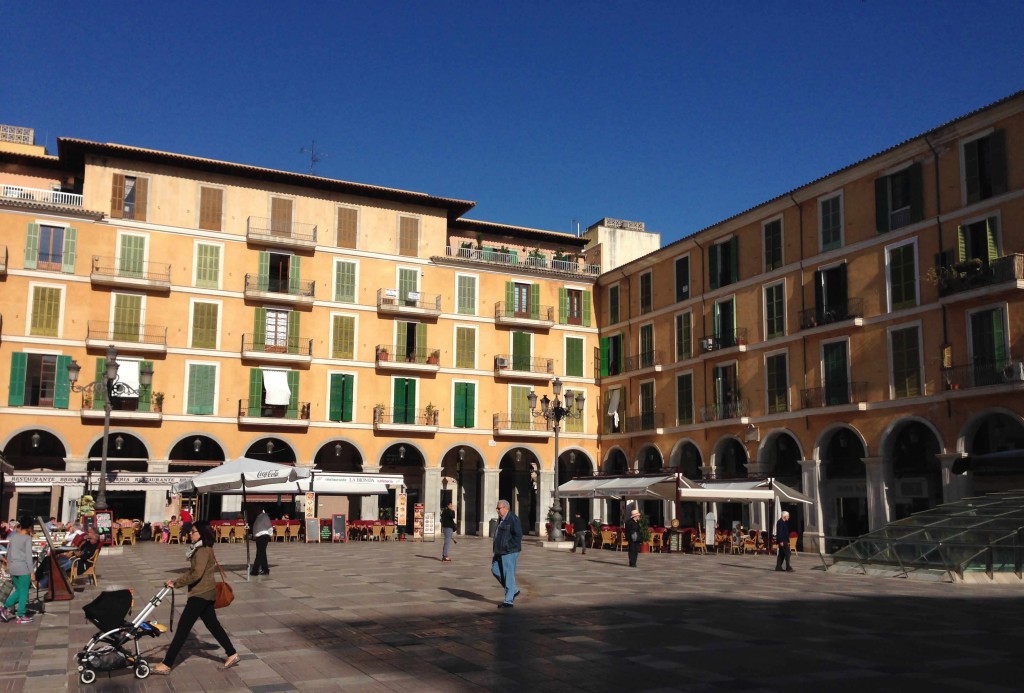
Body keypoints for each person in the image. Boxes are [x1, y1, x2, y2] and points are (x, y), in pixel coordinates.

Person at [152, 522, 238, 675]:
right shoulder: (201, 548)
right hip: (206, 592)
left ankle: (167, 663)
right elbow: (196, 572)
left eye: (193, 531)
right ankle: (232, 653)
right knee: (213, 625)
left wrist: (176, 582)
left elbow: (196, 574)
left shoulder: (202, 550)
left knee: (183, 629)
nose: (190, 534)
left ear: (202, 533)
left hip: (200, 594)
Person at [1, 516, 36, 624]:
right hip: (23, 567)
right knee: (24, 591)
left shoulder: (14, 537)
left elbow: (8, 553)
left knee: (19, 590)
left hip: (13, 567)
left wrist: (8, 565)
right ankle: (20, 614)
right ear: (30, 527)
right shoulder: (27, 539)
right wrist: (32, 572)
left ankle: (4, 608)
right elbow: (28, 557)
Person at [491, 500, 522, 608]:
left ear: (506, 508)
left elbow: (518, 535)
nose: (497, 510)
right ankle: (514, 590)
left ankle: (508, 601)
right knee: (495, 570)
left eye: (499, 508)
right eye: (497, 508)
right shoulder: (502, 519)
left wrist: (508, 547)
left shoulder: (512, 518)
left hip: (509, 551)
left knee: (508, 574)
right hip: (499, 551)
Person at [251, 509, 272, 576]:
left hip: (264, 536)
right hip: (258, 537)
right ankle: (265, 569)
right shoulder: (258, 517)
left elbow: (269, 526)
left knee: (259, 554)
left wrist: (271, 535)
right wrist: (254, 535)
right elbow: (256, 527)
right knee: (262, 553)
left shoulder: (265, 516)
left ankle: (255, 570)